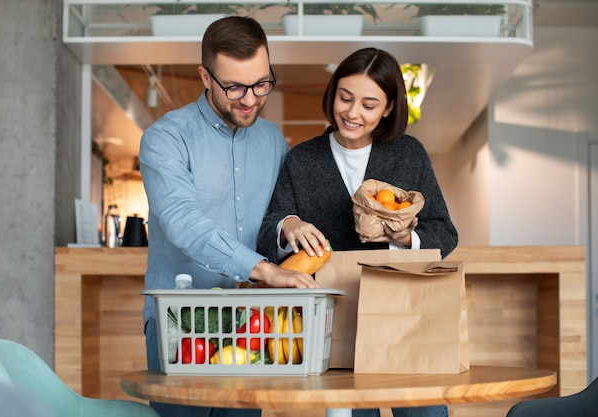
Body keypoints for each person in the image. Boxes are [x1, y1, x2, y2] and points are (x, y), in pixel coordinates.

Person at [257, 47, 458, 417]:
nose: (352, 113)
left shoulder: (408, 154)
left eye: (368, 104)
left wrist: (405, 240)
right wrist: (290, 224)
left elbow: (444, 234)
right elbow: (269, 228)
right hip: (333, 319)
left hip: (404, 315)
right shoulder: (302, 158)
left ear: (388, 108)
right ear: (333, 93)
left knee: (424, 413)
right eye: (345, 98)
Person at [139, 16, 319, 417]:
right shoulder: (165, 138)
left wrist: (288, 222)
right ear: (205, 76)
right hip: (180, 321)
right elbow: (182, 220)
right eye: (234, 86)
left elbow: (274, 215)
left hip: (249, 323)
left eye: (261, 84)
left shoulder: (273, 140)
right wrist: (264, 270)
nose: (250, 99)